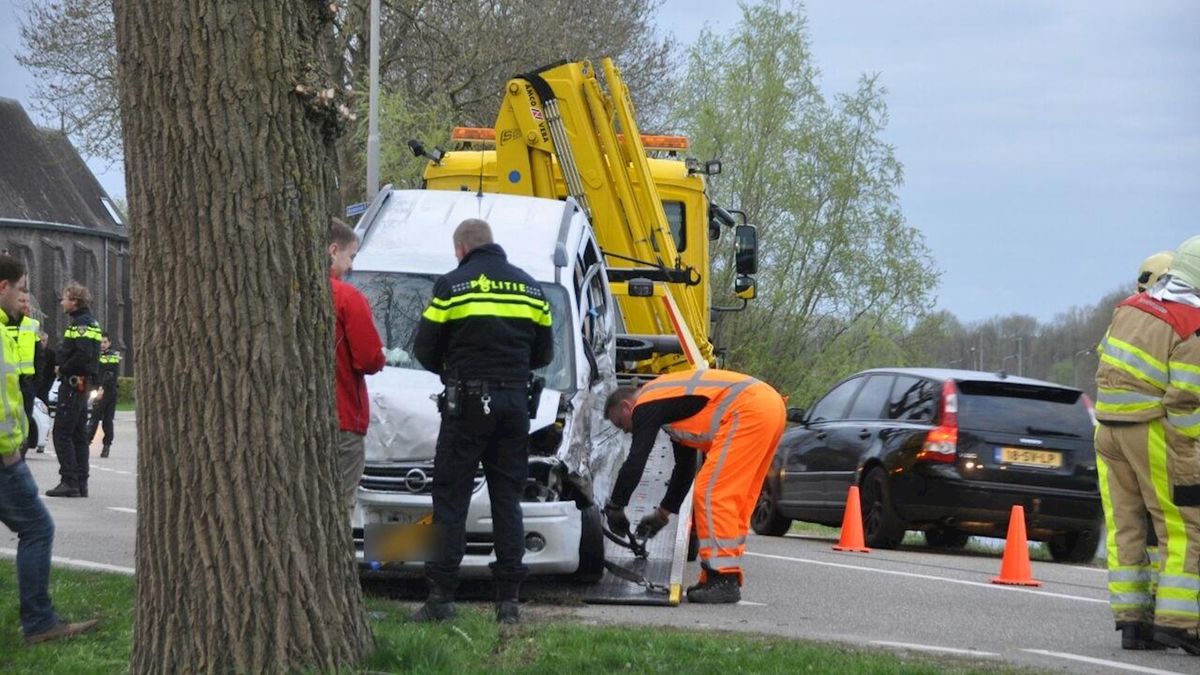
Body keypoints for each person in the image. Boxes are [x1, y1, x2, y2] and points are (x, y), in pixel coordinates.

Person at [410, 218, 553, 625]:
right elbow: (543, 354)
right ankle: (508, 602)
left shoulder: (452, 285)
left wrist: (453, 371)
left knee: (451, 498)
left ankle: (441, 598)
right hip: (514, 404)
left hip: (466, 403)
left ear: (461, 249)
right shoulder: (530, 288)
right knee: (507, 499)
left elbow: (425, 348)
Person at [1094, 235, 1200, 654]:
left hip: (1107, 429)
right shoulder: (1189, 326)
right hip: (1151, 430)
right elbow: (1185, 402)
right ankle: (1178, 623)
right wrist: (1189, 462)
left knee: (1126, 527)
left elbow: (1105, 362)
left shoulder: (1130, 309)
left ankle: (1133, 622)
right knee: (1181, 527)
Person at [602, 368, 786, 604]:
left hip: (749, 409)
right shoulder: (672, 404)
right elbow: (684, 469)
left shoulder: (646, 403)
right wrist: (662, 514)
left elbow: (636, 460)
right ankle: (718, 574)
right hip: (769, 408)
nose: (626, 431)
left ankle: (723, 579)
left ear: (627, 407)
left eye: (621, 423)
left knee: (712, 492)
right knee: (735, 496)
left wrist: (616, 505)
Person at [0, 254, 99, 644]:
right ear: (3, 287)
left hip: (59, 399)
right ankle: (39, 623)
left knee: (71, 437)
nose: (29, 298)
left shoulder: (26, 327)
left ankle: (75, 480)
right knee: (38, 528)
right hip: (5, 456)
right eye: (23, 289)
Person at [328, 219, 384, 509]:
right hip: (343, 416)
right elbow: (369, 358)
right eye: (351, 257)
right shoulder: (347, 297)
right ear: (333, 250)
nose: (351, 267)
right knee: (339, 506)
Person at [46, 283, 100, 499]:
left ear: (74, 301)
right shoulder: (89, 322)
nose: (61, 302)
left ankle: (69, 480)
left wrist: (62, 366)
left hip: (74, 383)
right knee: (78, 434)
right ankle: (80, 482)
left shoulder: (81, 324)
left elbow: (82, 355)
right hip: (81, 384)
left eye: (65, 298)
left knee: (62, 433)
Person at [5, 294, 40, 458]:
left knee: (24, 422)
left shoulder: (32, 325)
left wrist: (37, 383)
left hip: (26, 383)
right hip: (7, 382)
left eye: (27, 301)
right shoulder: (2, 323)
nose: (26, 305)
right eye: (22, 301)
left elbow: (40, 356)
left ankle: (20, 457)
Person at [86, 333, 120, 458]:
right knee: (97, 418)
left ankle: (102, 445)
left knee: (102, 419)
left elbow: (109, 374)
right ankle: (90, 443)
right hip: (100, 390)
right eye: (101, 342)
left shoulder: (112, 356)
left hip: (107, 391)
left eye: (105, 342)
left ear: (109, 343)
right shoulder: (96, 355)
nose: (102, 345)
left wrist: (101, 388)